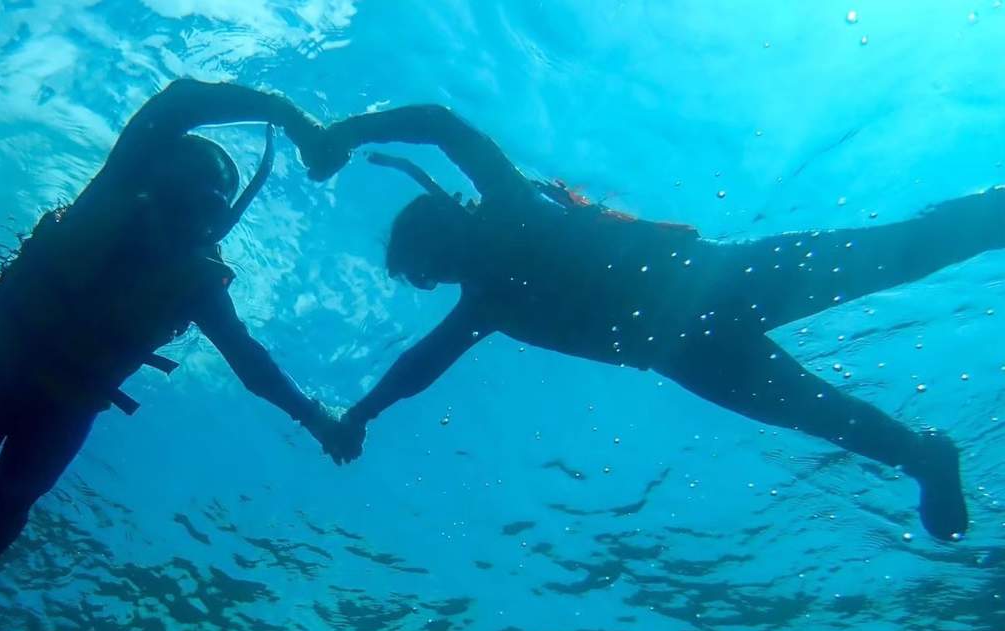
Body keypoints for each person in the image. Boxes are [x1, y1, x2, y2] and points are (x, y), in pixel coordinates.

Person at [310, 104, 999, 540]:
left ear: (449, 222)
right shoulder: (487, 304)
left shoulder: (510, 207)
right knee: (824, 416)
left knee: (898, 253)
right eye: (430, 274)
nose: (443, 273)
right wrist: (360, 415)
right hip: (689, 353)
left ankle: (990, 215)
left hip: (720, 282)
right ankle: (925, 457)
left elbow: (441, 125)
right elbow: (418, 366)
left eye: (432, 259)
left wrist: (345, 130)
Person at [0, 79, 345, 631]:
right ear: (155, 174)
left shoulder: (196, 281)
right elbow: (179, 102)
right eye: (180, 188)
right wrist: (285, 112)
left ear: (219, 219)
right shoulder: (115, 191)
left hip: (59, 403)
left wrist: (314, 418)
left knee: (10, 500)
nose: (183, 210)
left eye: (203, 202)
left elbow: (250, 362)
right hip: (4, 365)